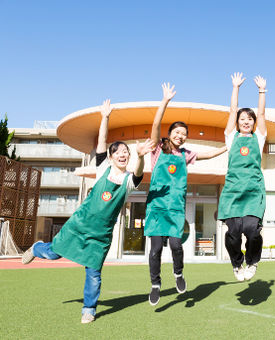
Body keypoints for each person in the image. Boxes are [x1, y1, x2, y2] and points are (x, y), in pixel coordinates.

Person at [21, 99, 154, 323]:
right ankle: (37, 248)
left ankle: (89, 309)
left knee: (93, 271)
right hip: (79, 224)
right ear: (111, 157)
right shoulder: (102, 168)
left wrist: (140, 156)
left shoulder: (129, 181)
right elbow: (102, 142)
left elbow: (139, 172)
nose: (123, 154)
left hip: (100, 235)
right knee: (54, 253)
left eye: (126, 152)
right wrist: (105, 117)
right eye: (118, 151)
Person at [145, 83, 227, 306]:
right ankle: (155, 284)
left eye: (184, 134)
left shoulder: (186, 155)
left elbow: (209, 155)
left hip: (174, 209)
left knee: (176, 246)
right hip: (156, 208)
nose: (180, 136)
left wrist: (226, 147)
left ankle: (178, 274)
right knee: (154, 251)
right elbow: (155, 125)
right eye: (177, 132)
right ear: (170, 134)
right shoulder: (157, 149)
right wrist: (165, 101)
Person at [217, 73, 267, 282]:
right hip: (233, 191)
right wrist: (235, 87)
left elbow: (263, 114)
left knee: (252, 230)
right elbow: (231, 110)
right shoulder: (231, 137)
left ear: (254, 123)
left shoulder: (260, 137)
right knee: (234, 232)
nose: (246, 122)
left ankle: (252, 261)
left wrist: (262, 91)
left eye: (249, 119)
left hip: (253, 190)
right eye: (242, 119)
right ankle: (237, 263)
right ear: (237, 122)